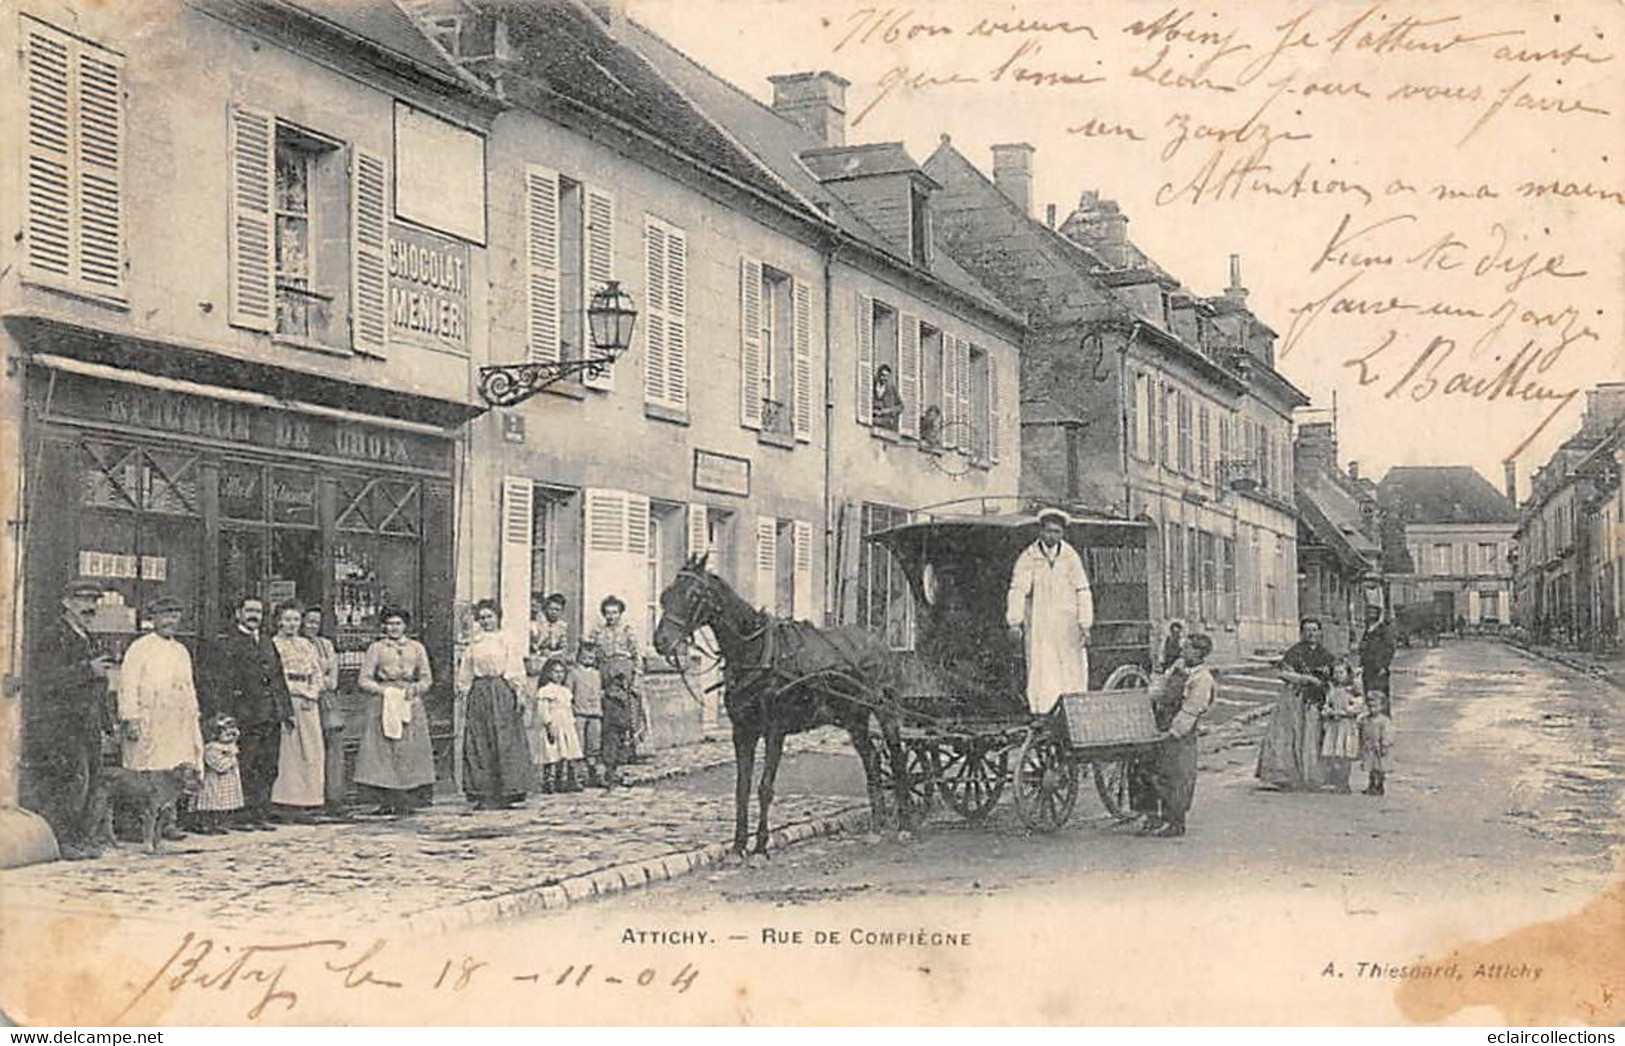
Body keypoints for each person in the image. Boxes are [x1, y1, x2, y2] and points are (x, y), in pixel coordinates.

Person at [26, 578, 116, 859]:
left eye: (94, 602)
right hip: (61, 722)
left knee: (88, 782)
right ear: (67, 602)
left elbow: (100, 685)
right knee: (70, 781)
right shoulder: (54, 635)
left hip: (86, 722)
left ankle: (79, 839)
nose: (90, 607)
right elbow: (44, 679)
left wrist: (106, 724)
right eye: (84, 600)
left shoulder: (89, 636)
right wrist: (87, 669)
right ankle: (59, 841)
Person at [116, 595, 204, 842]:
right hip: (149, 720)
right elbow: (128, 685)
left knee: (172, 773)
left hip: (176, 721)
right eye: (165, 616)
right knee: (145, 772)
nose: (170, 622)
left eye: (175, 616)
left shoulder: (180, 650)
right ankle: (136, 825)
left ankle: (167, 823)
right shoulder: (140, 648)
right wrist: (130, 718)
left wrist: (193, 714)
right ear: (154, 618)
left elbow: (188, 686)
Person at [201, 595, 291, 831]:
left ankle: (261, 811)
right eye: (249, 610)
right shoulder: (228, 642)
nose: (254, 616)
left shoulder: (267, 642)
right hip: (246, 714)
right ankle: (243, 815)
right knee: (247, 764)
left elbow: (279, 677)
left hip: (271, 714)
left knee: (268, 764)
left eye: (259, 612)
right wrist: (226, 715)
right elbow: (222, 682)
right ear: (238, 613)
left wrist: (285, 710)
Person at [1005, 508, 1094, 715]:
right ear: (1041, 532)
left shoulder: (1071, 557)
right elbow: (1018, 589)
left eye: (1057, 532)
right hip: (1041, 624)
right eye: (1048, 531)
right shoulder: (1029, 557)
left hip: (1067, 625)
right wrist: (1015, 622)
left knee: (1072, 668)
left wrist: (1085, 624)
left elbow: (1082, 590)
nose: (1052, 536)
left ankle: (1073, 711)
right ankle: (1043, 712)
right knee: (1043, 667)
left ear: (1062, 533)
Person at [354, 608, 436, 816]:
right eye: (390, 623)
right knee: (384, 750)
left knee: (409, 749)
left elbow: (426, 678)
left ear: (405, 626)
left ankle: (408, 797)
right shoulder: (376, 648)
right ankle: (386, 798)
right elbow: (364, 679)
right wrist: (384, 691)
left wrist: (415, 689)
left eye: (398, 623)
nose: (394, 628)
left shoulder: (416, 648)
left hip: (409, 701)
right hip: (384, 701)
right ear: (383, 626)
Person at [457, 599, 533, 809]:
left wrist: (518, 692)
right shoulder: (475, 642)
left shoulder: (506, 639)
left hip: (501, 689)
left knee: (504, 738)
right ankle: (483, 792)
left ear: (498, 617)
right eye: (482, 618)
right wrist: (464, 691)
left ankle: (507, 791)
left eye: (489, 616)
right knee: (479, 740)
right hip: (479, 691)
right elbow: (466, 670)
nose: (486, 621)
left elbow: (515, 668)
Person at [1143, 632, 1218, 838]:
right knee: (1156, 771)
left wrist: (1174, 732)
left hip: (1182, 733)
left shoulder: (1202, 678)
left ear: (1199, 652)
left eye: (1187, 648)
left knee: (1178, 776)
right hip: (1162, 722)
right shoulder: (1178, 668)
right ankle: (1154, 817)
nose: (1182, 651)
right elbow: (1159, 691)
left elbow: (1192, 709)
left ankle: (1175, 822)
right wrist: (1153, 687)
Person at [1256, 617, 1337, 792]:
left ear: (1320, 632)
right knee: (1291, 735)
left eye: (1315, 630)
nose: (1311, 633)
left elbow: (1334, 675)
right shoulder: (1294, 652)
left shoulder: (1326, 654)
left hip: (1317, 699)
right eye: (1308, 630)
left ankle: (1313, 775)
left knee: (1312, 737)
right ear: (1302, 633)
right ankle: (1287, 776)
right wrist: (1305, 678)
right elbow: (1284, 674)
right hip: (1294, 698)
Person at [269, 603, 325, 822]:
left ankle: (309, 801)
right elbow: (275, 677)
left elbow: (317, 673)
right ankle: (286, 803)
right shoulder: (274, 644)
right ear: (279, 621)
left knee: (310, 750)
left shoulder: (306, 645)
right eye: (287, 620)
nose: (292, 624)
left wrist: (312, 693)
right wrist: (295, 692)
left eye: (295, 620)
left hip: (308, 703)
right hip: (287, 699)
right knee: (288, 752)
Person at [302, 608, 347, 821]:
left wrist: (319, 681)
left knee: (333, 747)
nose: (312, 626)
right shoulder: (297, 644)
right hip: (305, 700)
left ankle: (334, 798)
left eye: (316, 622)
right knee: (309, 750)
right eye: (308, 621)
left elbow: (333, 680)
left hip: (327, 701)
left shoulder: (325, 645)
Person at [589, 595, 647, 758]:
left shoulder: (627, 631)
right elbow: (591, 654)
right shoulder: (598, 632)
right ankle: (607, 751)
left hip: (625, 675)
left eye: (614, 613)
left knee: (629, 712)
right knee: (607, 713)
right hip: (604, 674)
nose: (611, 616)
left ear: (620, 614)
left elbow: (637, 657)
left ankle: (628, 751)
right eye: (608, 613)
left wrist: (635, 681)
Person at [533, 657, 584, 793]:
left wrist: (572, 724)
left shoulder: (565, 691)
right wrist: (548, 723)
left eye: (561, 672)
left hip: (565, 724)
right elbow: (542, 710)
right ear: (548, 673)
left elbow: (568, 709)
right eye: (555, 672)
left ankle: (562, 780)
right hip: (553, 724)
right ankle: (548, 781)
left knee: (565, 753)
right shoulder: (545, 691)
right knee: (551, 753)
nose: (559, 675)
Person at [1319, 663, 1364, 794]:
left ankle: (1344, 783)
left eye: (1341, 672)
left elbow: (1358, 706)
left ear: (1348, 674)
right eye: (1336, 673)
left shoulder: (1353, 690)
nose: (1338, 675)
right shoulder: (1332, 690)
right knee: (1334, 754)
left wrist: (1345, 711)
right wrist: (1329, 712)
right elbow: (1326, 705)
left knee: (1345, 754)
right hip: (1334, 726)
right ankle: (1336, 782)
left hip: (1347, 726)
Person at [195, 713, 243, 836]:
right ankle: (206, 824)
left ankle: (218, 823)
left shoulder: (230, 747)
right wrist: (231, 759)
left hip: (226, 781)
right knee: (211, 803)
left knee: (222, 804)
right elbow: (220, 766)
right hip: (215, 781)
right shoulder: (212, 749)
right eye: (227, 733)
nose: (231, 736)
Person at [572, 642, 605, 788]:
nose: (588, 659)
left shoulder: (596, 674)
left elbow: (599, 692)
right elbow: (568, 693)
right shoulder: (574, 673)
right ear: (579, 656)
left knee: (594, 744)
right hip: (579, 713)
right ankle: (578, 776)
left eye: (591, 657)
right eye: (585, 656)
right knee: (579, 744)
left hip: (595, 713)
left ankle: (594, 774)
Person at [1358, 604, 1396, 701]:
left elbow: (1390, 648)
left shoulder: (1383, 629)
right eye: (1368, 613)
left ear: (1377, 615)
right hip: (1367, 668)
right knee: (1369, 695)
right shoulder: (1367, 630)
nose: (1370, 615)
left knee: (1380, 696)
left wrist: (1384, 666)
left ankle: (1382, 716)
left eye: (1373, 613)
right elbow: (1363, 647)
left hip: (1379, 669)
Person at [1360, 686, 1393, 797]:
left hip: (1379, 747)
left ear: (1382, 706)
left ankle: (1379, 786)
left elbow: (1387, 734)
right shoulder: (1366, 719)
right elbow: (1362, 730)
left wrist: (1384, 744)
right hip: (1369, 747)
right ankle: (1371, 784)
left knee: (1379, 768)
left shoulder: (1384, 720)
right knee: (1370, 768)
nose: (1372, 709)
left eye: (1375, 706)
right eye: (1370, 706)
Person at [872, 363, 904, 430]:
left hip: (886, 424)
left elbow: (900, 406)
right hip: (873, 421)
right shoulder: (871, 385)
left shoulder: (891, 389)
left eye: (887, 376)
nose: (884, 378)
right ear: (878, 375)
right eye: (883, 375)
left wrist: (887, 411)